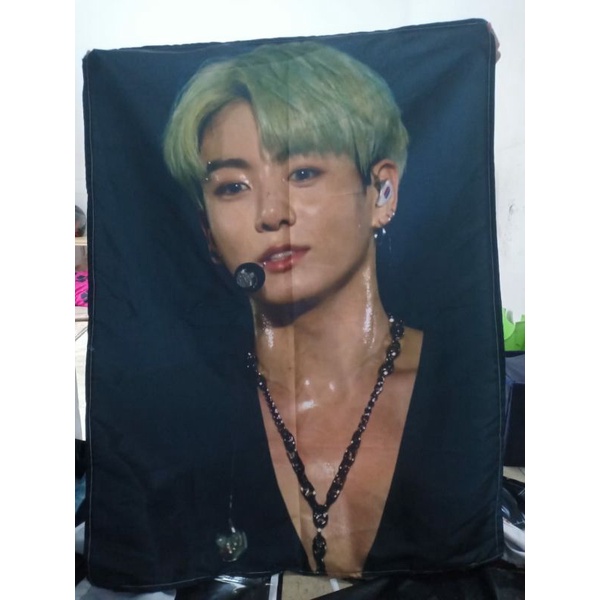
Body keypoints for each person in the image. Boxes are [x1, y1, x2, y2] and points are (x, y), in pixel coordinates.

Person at [163, 41, 423, 577]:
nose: (271, 213)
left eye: (302, 173)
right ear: (208, 231)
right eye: (233, 186)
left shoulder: (461, 383)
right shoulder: (182, 414)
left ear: (381, 191)